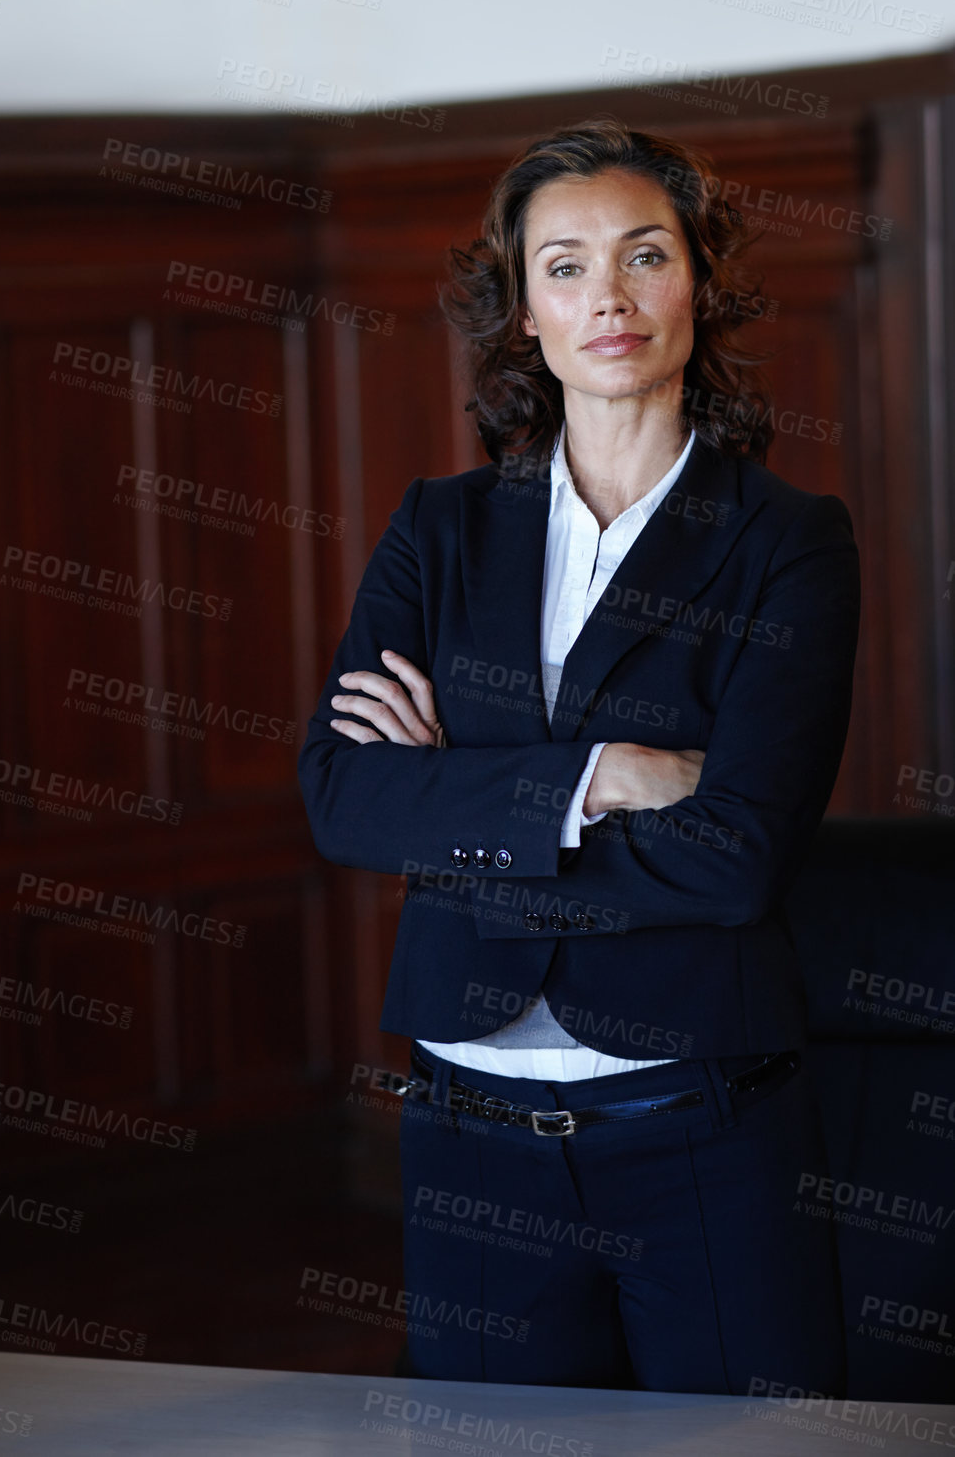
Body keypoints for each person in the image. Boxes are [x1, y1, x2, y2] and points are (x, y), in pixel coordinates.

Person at [297, 117, 861, 1395]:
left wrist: (454, 824)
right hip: (465, 1133)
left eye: (642, 255)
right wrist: (597, 776)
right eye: (563, 265)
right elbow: (342, 799)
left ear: (699, 284)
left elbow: (734, 862)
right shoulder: (439, 530)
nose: (606, 296)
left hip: (700, 1130)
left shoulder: (787, 542)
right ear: (523, 314)